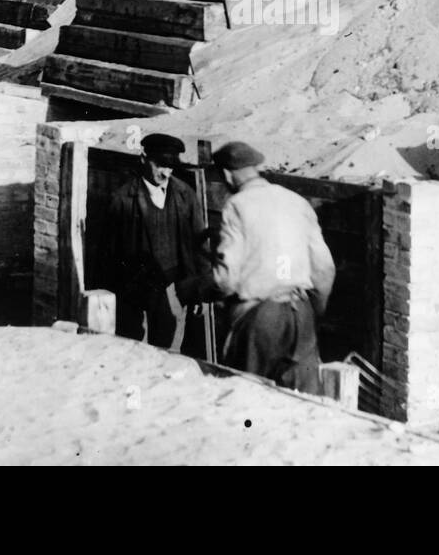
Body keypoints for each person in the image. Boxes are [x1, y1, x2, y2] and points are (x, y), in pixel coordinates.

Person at [205, 141, 335, 394]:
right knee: (304, 400)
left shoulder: (237, 206)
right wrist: (314, 312)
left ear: (226, 174)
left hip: (259, 318)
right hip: (300, 313)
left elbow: (226, 279)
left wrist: (203, 290)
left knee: (249, 397)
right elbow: (325, 269)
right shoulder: (296, 201)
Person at [104, 133, 211, 357]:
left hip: (173, 289)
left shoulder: (185, 195)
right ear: (143, 158)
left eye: (170, 167)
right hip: (135, 290)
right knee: (135, 351)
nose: (165, 172)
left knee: (169, 351)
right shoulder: (123, 198)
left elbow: (199, 244)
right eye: (160, 165)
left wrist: (199, 288)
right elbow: (109, 252)